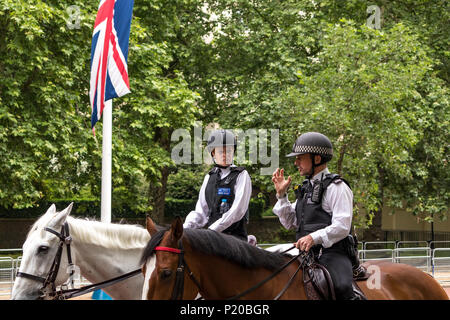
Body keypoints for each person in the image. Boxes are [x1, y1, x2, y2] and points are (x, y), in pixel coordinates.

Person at [272, 132, 358, 300]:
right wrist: (282, 196)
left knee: (342, 286)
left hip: (333, 253)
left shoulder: (337, 187)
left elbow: (342, 226)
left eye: (300, 158)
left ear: (317, 159)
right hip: (305, 254)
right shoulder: (306, 188)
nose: (296, 162)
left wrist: (313, 237)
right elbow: (291, 223)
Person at [183, 129, 252, 242]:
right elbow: (201, 212)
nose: (225, 155)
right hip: (213, 238)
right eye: (221, 151)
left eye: (229, 151)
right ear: (213, 153)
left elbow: (238, 211)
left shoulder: (241, 175)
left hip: (235, 239)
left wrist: (212, 230)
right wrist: (184, 228)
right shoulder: (209, 177)